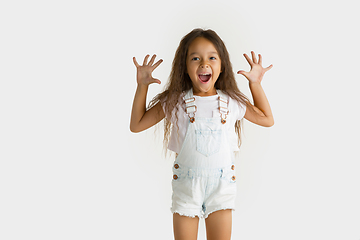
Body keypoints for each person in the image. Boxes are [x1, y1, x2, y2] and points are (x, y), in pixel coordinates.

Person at [130, 28, 274, 240]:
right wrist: (142, 86)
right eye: (195, 58)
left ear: (222, 66)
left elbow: (267, 119)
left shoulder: (232, 102)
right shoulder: (175, 102)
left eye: (212, 58)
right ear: (185, 67)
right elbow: (137, 124)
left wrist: (255, 84)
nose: (204, 64)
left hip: (221, 187)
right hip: (187, 188)